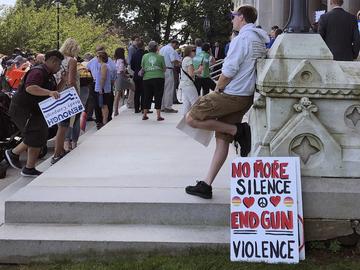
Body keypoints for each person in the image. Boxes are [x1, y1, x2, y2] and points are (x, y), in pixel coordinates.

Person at [184, 5, 269, 199]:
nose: (232, 20)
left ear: (242, 18)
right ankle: (206, 184)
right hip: (245, 96)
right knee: (221, 142)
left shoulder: (242, 39)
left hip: (231, 93)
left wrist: (217, 89)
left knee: (191, 118)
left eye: (233, 16)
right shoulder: (259, 39)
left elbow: (229, 70)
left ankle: (238, 131)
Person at [4, 50, 65, 177]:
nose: (59, 68)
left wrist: (63, 81)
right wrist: (49, 92)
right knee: (34, 134)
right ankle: (13, 153)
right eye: (59, 65)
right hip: (23, 109)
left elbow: (53, 92)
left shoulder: (49, 75)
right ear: (53, 61)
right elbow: (30, 88)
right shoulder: (38, 71)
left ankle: (29, 168)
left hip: (35, 110)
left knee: (41, 134)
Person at [51, 38, 81, 164]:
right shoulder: (72, 61)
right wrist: (77, 96)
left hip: (57, 93)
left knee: (61, 126)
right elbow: (71, 81)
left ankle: (60, 150)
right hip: (68, 95)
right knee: (64, 127)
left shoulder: (57, 60)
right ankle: (57, 154)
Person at [141, 41, 166, 121]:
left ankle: (145, 114)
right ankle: (158, 116)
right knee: (158, 96)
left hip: (147, 79)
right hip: (158, 78)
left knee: (147, 96)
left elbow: (142, 66)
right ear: (156, 48)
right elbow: (164, 69)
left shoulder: (144, 56)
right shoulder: (160, 57)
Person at [180, 46, 203, 115]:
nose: (195, 52)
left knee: (187, 104)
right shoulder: (189, 59)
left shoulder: (185, 59)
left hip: (184, 84)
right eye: (193, 50)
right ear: (189, 51)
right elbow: (191, 74)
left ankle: (185, 121)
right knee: (195, 102)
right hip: (188, 84)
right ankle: (195, 119)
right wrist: (199, 70)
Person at [159, 39, 180, 113]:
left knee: (163, 89)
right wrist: (179, 63)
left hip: (162, 70)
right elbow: (173, 60)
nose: (176, 48)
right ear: (174, 43)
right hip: (168, 69)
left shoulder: (162, 48)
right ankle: (168, 106)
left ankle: (162, 106)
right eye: (176, 46)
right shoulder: (170, 49)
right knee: (169, 89)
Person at [113, 47, 134, 116]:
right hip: (121, 77)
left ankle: (116, 110)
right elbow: (121, 71)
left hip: (117, 77)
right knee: (133, 87)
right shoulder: (122, 61)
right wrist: (127, 76)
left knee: (118, 93)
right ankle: (132, 102)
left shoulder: (115, 61)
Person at [95, 51, 112, 125]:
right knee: (103, 105)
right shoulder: (102, 65)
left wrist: (101, 88)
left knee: (104, 105)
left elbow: (103, 77)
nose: (97, 58)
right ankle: (104, 120)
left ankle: (105, 121)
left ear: (101, 57)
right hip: (103, 88)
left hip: (103, 89)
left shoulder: (104, 65)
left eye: (97, 56)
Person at [131, 39, 146, 113]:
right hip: (144, 75)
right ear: (143, 46)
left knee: (137, 92)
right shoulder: (145, 54)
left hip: (136, 74)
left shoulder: (134, 54)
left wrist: (136, 70)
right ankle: (144, 108)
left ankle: (136, 108)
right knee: (144, 92)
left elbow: (132, 66)